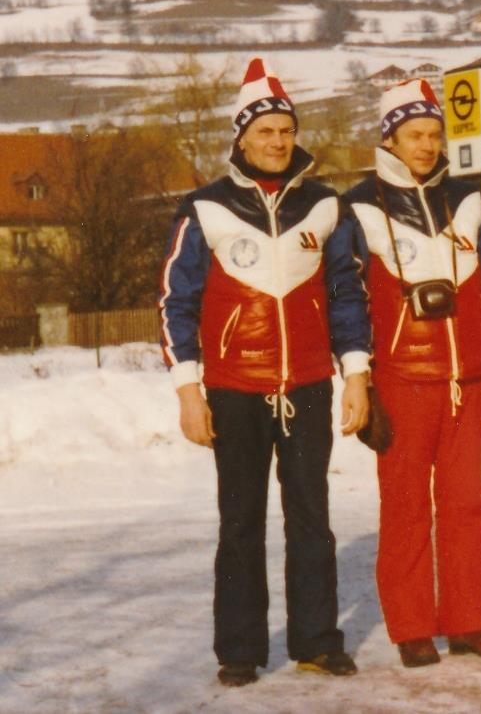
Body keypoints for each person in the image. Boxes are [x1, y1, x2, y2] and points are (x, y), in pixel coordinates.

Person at [159, 58, 372, 687]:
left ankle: (316, 639)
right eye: (265, 131)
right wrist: (188, 391)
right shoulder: (204, 208)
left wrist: (355, 373)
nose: (278, 141)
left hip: (306, 383)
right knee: (241, 521)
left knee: (312, 517)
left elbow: (347, 294)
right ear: (241, 138)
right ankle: (240, 650)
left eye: (286, 130)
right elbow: (177, 300)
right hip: (233, 388)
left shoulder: (325, 206)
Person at [339, 78, 481, 668]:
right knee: (406, 505)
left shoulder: (465, 199)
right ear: (389, 138)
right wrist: (361, 379)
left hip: (464, 380)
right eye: (414, 134)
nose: (426, 145)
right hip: (402, 378)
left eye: (434, 134)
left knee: (468, 504)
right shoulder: (360, 206)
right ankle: (412, 625)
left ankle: (471, 621)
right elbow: (347, 299)